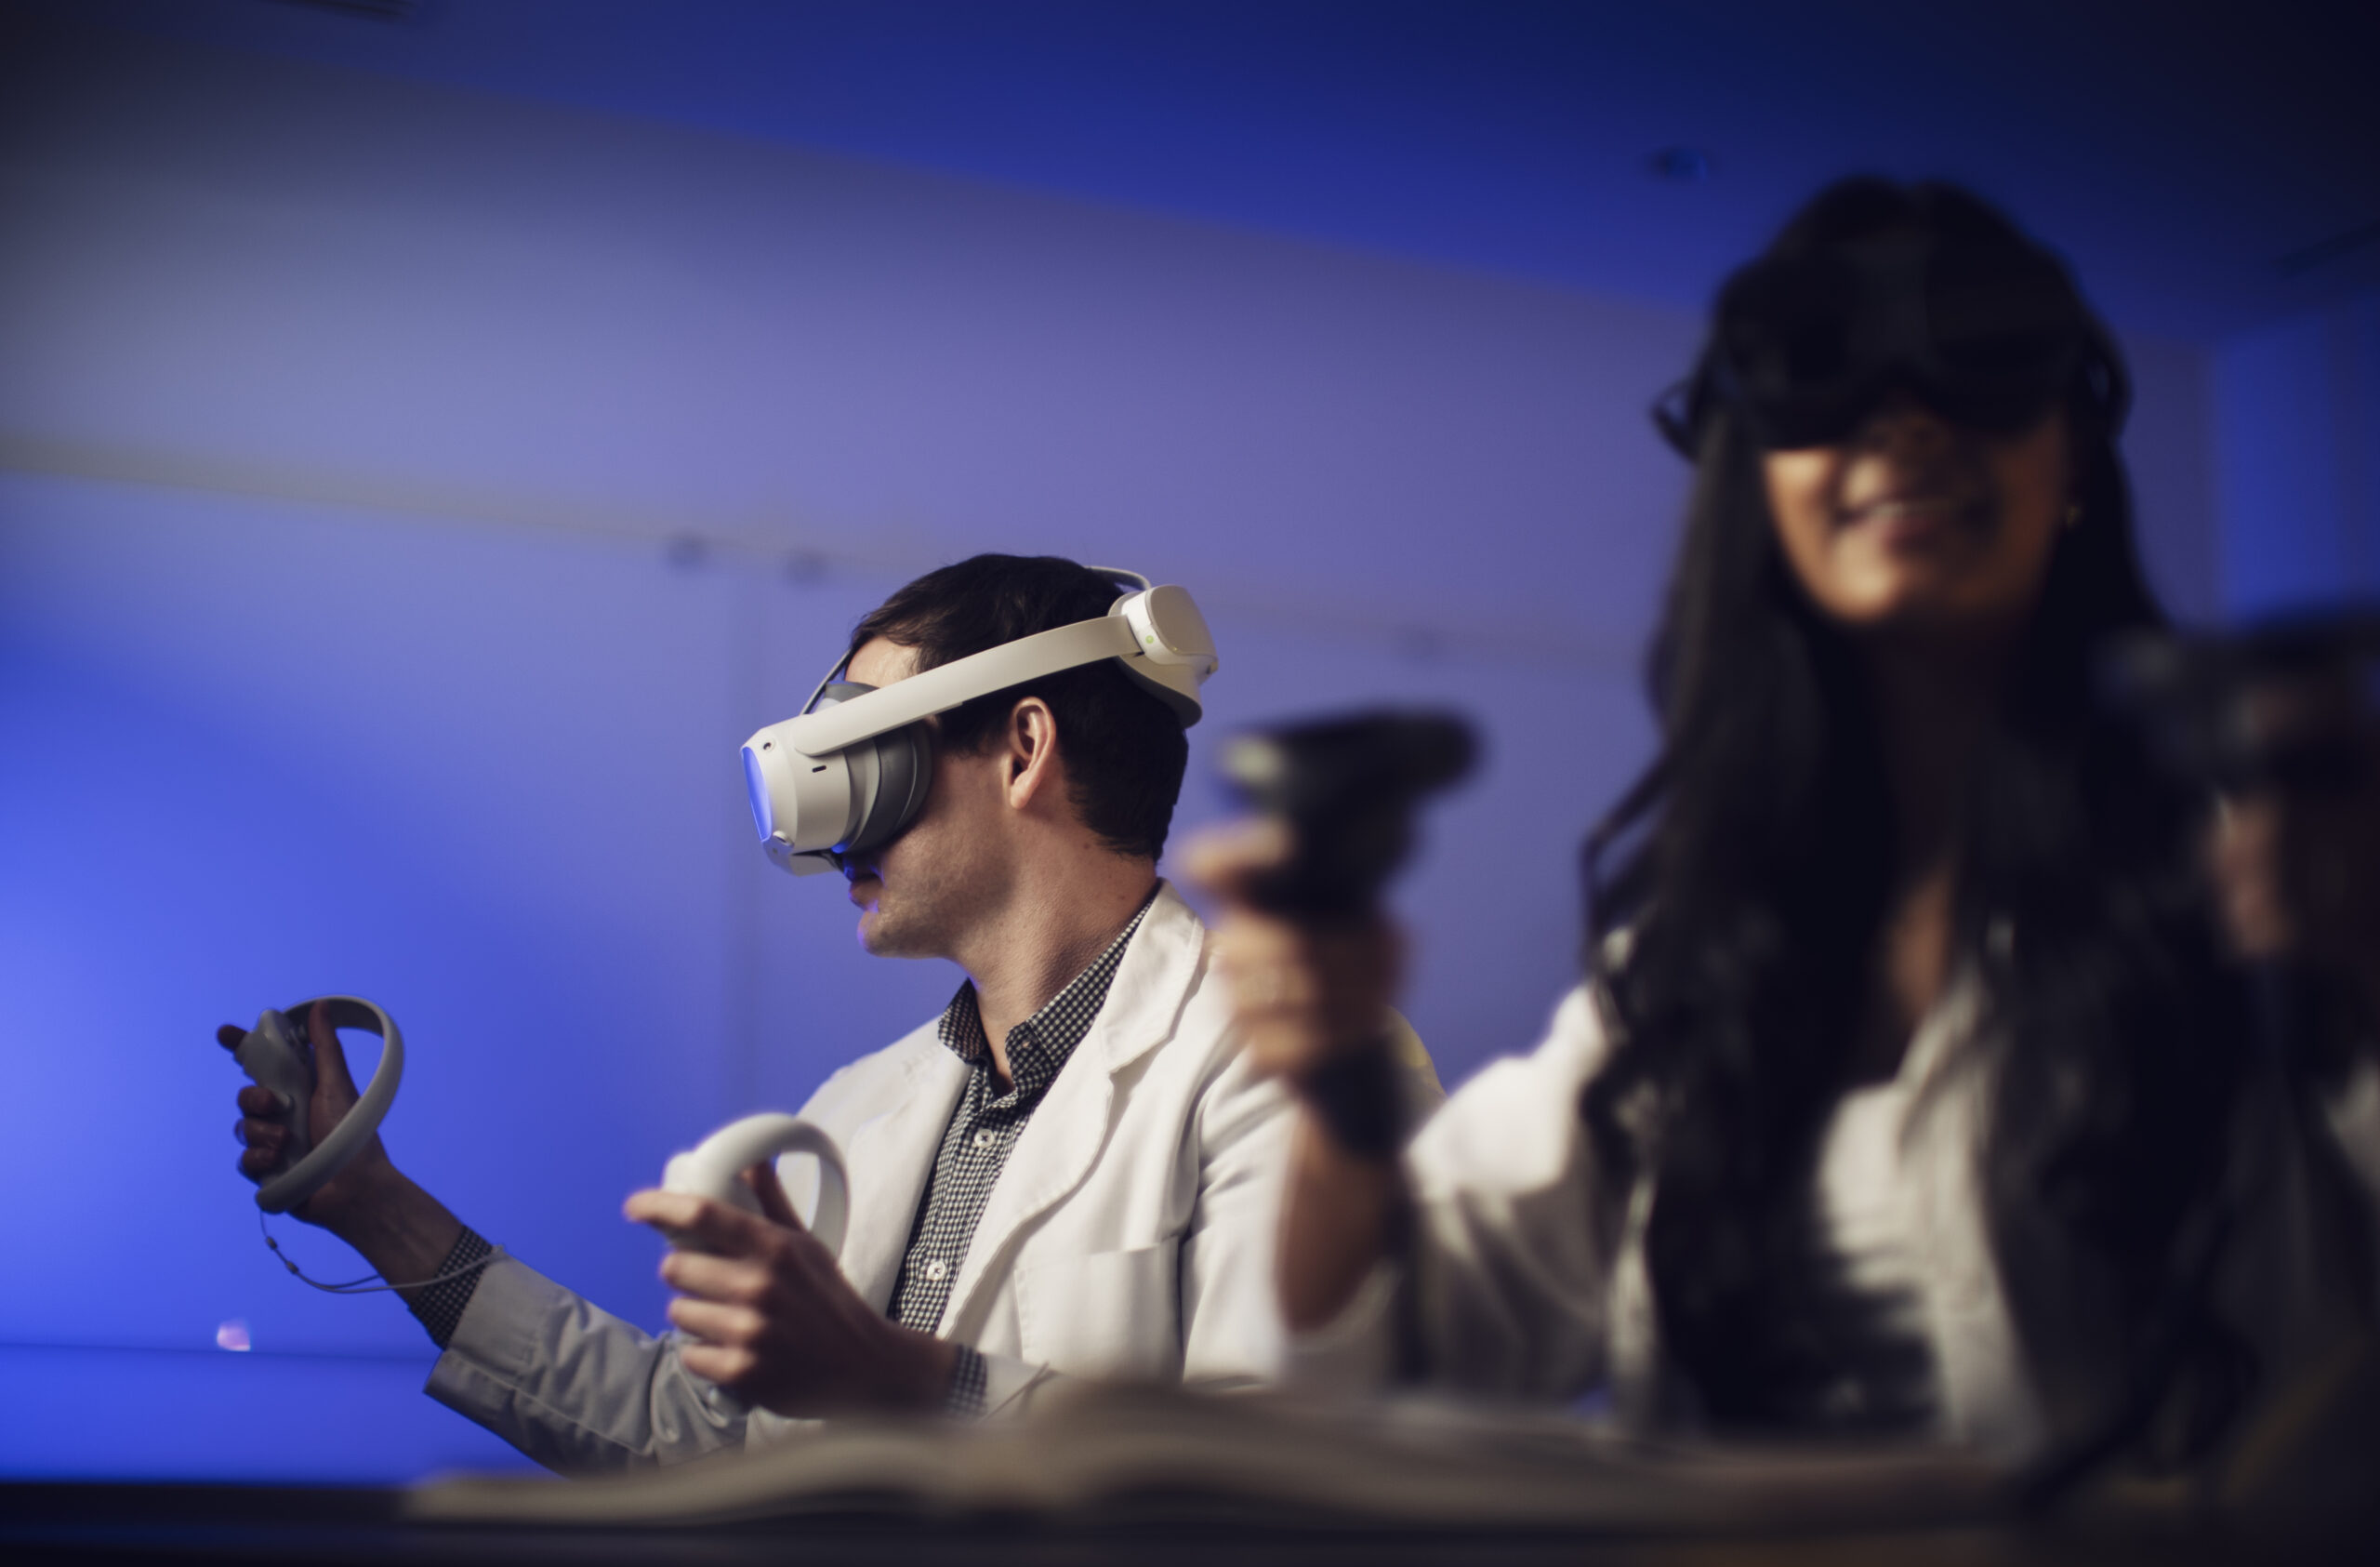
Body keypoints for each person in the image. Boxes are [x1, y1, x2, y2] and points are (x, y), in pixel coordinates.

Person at [1190, 179, 2380, 1474]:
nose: (1906, 415)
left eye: (1977, 349)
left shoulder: (2257, 879)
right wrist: (1339, 1098)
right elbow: (1383, 1355)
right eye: (1823, 360)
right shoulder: (1688, 966)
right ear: (1758, 478)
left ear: (2073, 456)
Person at [226, 555, 1300, 1470]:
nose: (829, 822)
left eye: (868, 754)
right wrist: (374, 1205)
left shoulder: (1288, 1079)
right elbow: (700, 1439)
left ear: (1022, 751)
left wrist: (899, 1380)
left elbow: (1290, 1482)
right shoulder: (856, 1110)